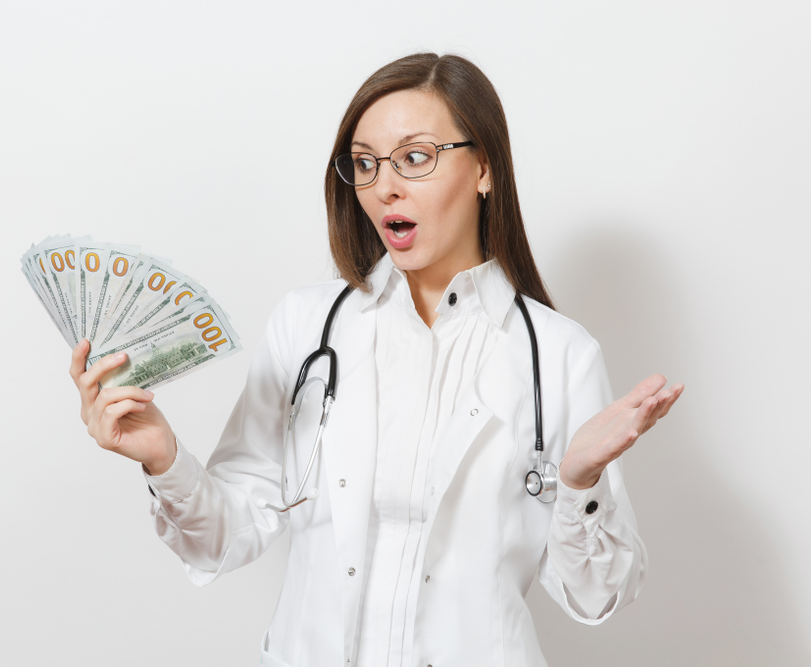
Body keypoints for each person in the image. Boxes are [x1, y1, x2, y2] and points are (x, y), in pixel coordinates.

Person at [68, 53, 684, 667]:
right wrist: (164, 460)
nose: (383, 185)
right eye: (364, 164)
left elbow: (597, 595)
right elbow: (223, 537)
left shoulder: (559, 354)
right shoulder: (307, 326)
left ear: (485, 170)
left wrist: (580, 483)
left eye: (415, 158)